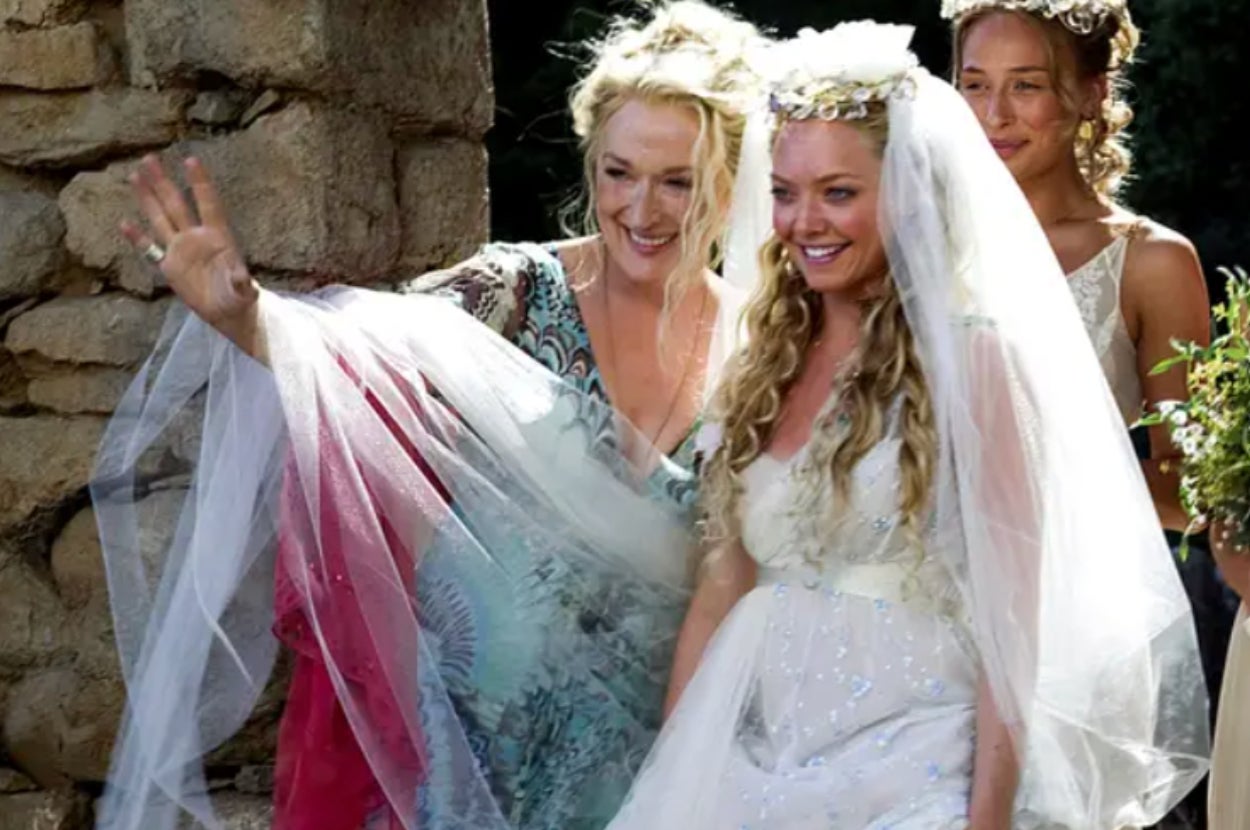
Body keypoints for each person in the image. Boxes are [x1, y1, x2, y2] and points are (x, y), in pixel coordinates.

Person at [91, 3, 768, 829]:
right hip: (464, 752)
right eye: (618, 172)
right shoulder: (509, 296)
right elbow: (353, 359)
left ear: (733, 180)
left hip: (644, 758)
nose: (640, 208)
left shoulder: (762, 349)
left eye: (678, 181)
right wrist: (243, 316)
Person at [602, 21, 1208, 829]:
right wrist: (673, 779)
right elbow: (720, 590)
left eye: (839, 193)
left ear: (909, 193)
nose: (804, 221)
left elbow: (1014, 623)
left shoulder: (977, 362)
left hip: (917, 757)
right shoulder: (761, 359)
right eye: (785, 191)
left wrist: (986, 819)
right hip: (750, 751)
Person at [946, 4, 1229, 823]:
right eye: (973, 85)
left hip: (1075, 634)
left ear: (1090, 94)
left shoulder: (1150, 261)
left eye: (1025, 87)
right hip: (920, 614)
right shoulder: (919, 244)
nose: (993, 115)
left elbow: (1189, 491)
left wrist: (1029, 507)